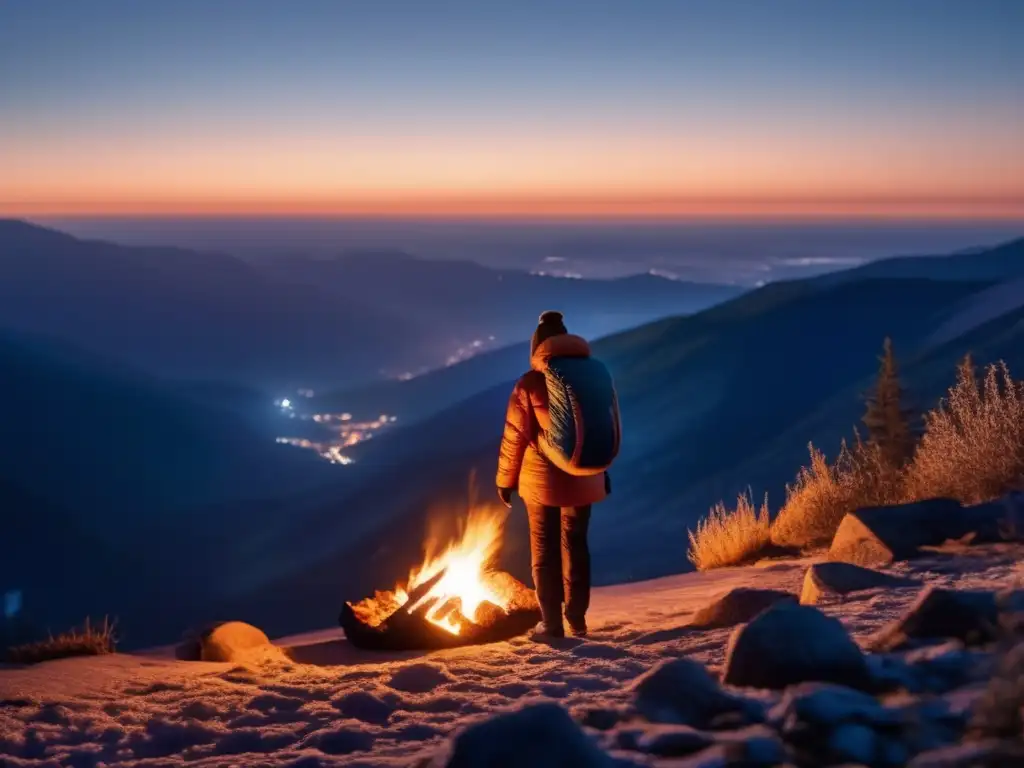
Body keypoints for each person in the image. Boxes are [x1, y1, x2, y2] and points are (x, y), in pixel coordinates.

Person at [495, 311, 614, 638]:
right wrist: (601, 471)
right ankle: (577, 618)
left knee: (544, 550)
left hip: (542, 482)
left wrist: (505, 481)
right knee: (576, 544)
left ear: (537, 347)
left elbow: (514, 437)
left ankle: (551, 624)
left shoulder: (530, 383)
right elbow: (603, 426)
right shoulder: (596, 373)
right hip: (585, 474)